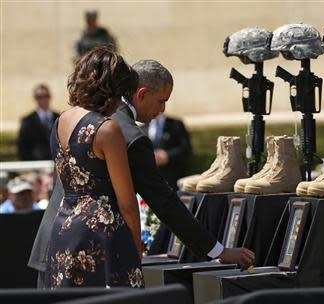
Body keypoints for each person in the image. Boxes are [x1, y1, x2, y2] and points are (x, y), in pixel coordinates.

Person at [29, 58, 255, 288]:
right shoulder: (125, 134)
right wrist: (218, 250)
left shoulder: (65, 119)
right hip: (95, 252)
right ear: (142, 93)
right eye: (161, 101)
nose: (162, 110)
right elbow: (160, 201)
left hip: (53, 243)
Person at [44, 47, 143, 288]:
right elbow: (127, 203)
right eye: (120, 95)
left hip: (63, 232)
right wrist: (136, 246)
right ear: (110, 90)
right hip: (101, 238)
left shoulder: (60, 122)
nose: (120, 102)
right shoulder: (107, 129)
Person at [141, 113, 192, 190]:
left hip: (173, 179)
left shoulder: (176, 124)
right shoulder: (142, 128)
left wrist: (167, 155)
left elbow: (186, 148)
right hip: (150, 182)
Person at [17, 84, 59, 161]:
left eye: (45, 96)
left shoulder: (59, 118)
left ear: (50, 97)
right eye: (39, 97)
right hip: (36, 165)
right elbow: (22, 146)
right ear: (35, 98)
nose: (43, 99)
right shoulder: (27, 121)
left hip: (57, 164)